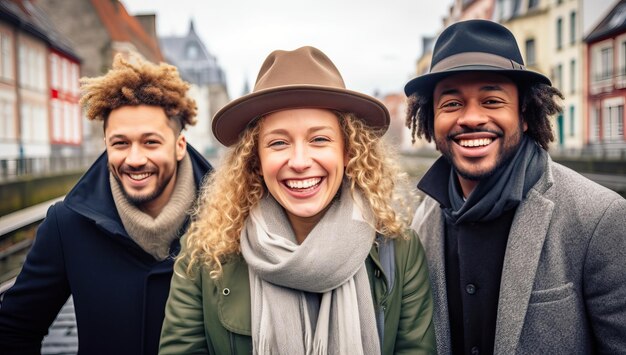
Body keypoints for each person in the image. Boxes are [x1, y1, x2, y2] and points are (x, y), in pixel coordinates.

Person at [159, 46, 435, 354]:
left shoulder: (399, 249)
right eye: (278, 143)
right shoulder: (205, 253)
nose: (300, 161)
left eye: (319, 139)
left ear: (347, 151)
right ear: (255, 160)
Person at [404, 19, 626, 354]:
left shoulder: (598, 217)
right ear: (430, 119)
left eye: (492, 101)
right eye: (452, 104)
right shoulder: (421, 223)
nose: (472, 118)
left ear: (524, 115)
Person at [0, 55, 213, 354]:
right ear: (106, 146)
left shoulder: (227, 220)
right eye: (120, 143)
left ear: (179, 146)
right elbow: (14, 330)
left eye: (150, 142)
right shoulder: (67, 224)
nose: (135, 159)